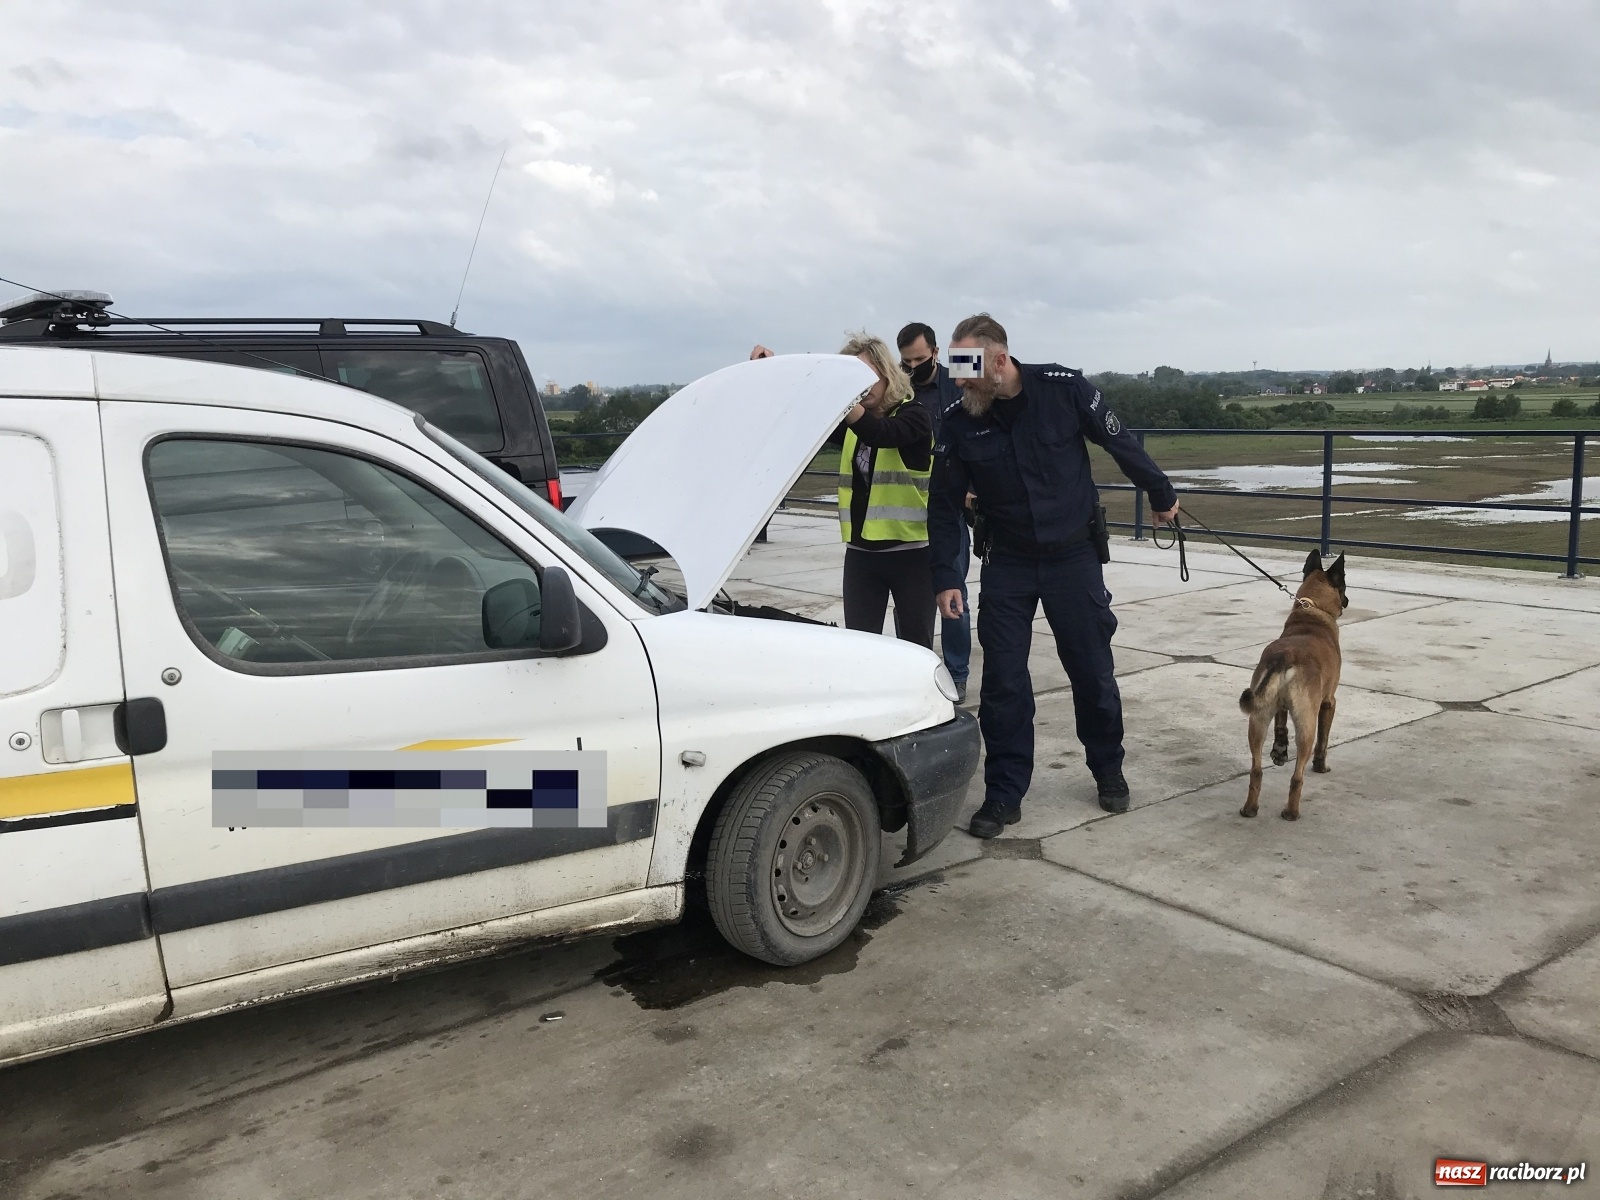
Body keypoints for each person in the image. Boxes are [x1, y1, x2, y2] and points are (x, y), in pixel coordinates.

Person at [927, 314, 1179, 838]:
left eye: (967, 367)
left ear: (999, 361)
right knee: (1003, 684)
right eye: (954, 368)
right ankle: (1004, 793)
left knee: (1092, 672)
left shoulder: (1063, 390)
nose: (958, 380)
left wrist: (1160, 493)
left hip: (1072, 558)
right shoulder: (958, 419)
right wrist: (944, 578)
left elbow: (1120, 441)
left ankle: (1107, 768)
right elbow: (942, 503)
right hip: (1009, 563)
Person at [751, 337, 935, 647]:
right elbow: (801, 415)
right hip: (862, 558)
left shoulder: (914, 415)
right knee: (860, 647)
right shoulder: (852, 420)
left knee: (916, 647)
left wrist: (845, 398)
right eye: (852, 381)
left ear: (887, 372)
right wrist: (772, 372)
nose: (861, 389)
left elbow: (881, 434)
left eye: (866, 377)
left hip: (911, 557)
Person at [897, 322, 971, 702]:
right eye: (906, 362)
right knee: (913, 600)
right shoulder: (897, 390)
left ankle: (957, 674)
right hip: (906, 511)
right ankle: (916, 668)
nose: (913, 368)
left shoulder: (957, 383)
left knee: (952, 593)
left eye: (920, 360)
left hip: (950, 507)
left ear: (937, 353)